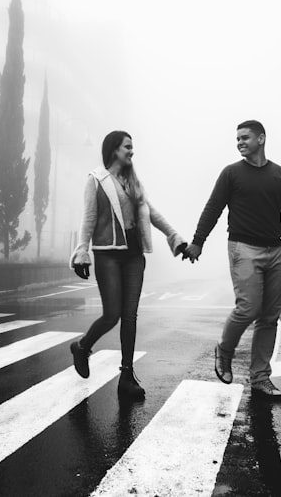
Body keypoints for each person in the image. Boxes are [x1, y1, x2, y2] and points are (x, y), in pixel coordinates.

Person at [184, 120, 281, 400]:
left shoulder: (279, 175)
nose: (240, 142)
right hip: (243, 248)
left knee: (269, 317)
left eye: (245, 137)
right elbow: (213, 209)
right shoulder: (231, 174)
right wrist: (197, 242)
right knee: (248, 308)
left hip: (275, 251)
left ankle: (260, 379)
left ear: (261, 139)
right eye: (237, 139)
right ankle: (225, 350)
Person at [69, 130, 188, 399]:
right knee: (112, 314)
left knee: (131, 316)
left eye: (132, 147)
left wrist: (174, 236)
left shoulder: (133, 181)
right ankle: (83, 347)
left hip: (134, 255)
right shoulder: (96, 180)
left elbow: (151, 212)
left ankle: (126, 376)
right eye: (127, 147)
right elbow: (88, 218)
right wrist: (81, 252)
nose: (132, 152)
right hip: (107, 254)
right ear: (114, 150)